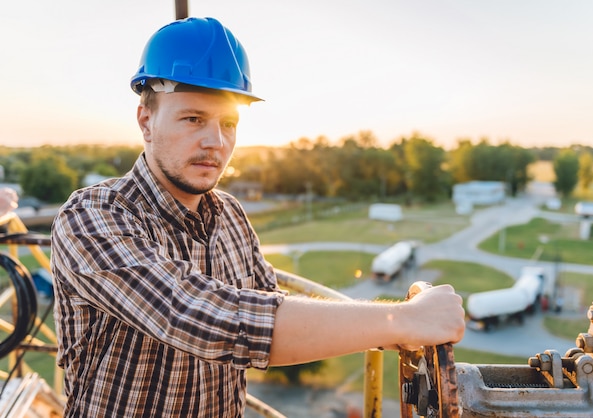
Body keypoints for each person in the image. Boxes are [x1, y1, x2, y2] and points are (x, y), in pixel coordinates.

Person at [50, 17, 465, 417]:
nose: (215, 142)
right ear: (146, 120)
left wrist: (396, 330)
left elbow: (271, 310)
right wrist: (402, 320)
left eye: (228, 123)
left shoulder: (230, 215)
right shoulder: (91, 217)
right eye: (193, 118)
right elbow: (196, 315)